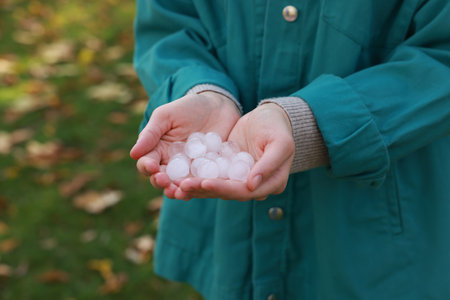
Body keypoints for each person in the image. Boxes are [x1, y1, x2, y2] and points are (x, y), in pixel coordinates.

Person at [130, 1, 450, 299]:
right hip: (232, 226)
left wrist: (310, 124)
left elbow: (441, 53)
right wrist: (202, 89)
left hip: (377, 226)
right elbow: (167, 23)